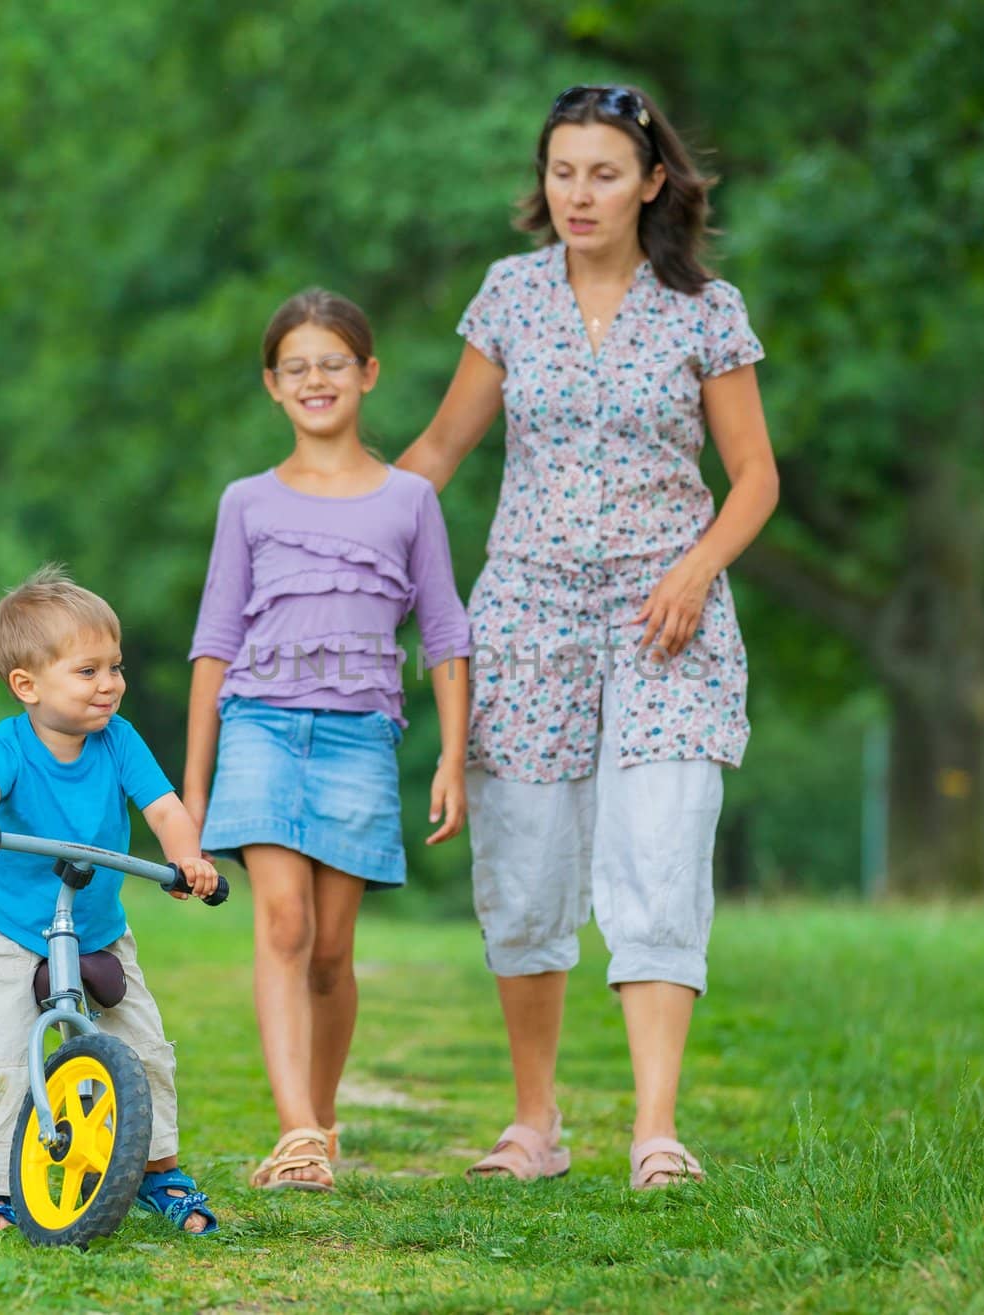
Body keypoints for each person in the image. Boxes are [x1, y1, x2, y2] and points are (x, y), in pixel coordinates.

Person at [397, 84, 779, 1189]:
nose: (579, 192)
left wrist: (698, 568)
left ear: (651, 181)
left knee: (658, 855)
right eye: (562, 170)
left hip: (668, 616)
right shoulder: (508, 297)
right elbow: (436, 451)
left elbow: (753, 477)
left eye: (603, 172)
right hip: (524, 610)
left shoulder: (705, 310)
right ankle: (534, 1125)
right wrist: (339, 530)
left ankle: (654, 1129)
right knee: (523, 867)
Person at [183, 289, 472, 1191]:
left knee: (333, 949)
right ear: (274, 385)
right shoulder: (247, 501)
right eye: (297, 366)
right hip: (259, 725)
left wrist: (454, 754)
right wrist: (191, 793)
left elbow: (447, 633)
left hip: (359, 738)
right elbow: (213, 642)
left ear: (368, 374)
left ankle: (323, 1117)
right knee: (283, 921)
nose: (317, 379)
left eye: (333, 363)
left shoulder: (411, 500)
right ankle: (296, 1131)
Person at [0, 564, 221, 1234]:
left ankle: (158, 1171)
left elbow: (164, 808)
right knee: (4, 1056)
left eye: (115, 667)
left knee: (146, 1045)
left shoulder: (118, 741)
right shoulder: (8, 742)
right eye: (89, 670)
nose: (110, 685)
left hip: (96, 926)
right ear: (27, 685)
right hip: (9, 927)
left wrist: (187, 856)